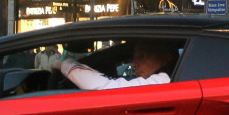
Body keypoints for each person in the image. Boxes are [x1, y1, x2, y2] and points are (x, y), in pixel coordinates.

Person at [49, 40, 177, 90]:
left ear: (166, 58)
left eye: (142, 56)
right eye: (134, 57)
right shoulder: (173, 79)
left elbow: (108, 87)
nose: (133, 63)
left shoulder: (164, 81)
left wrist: (64, 64)